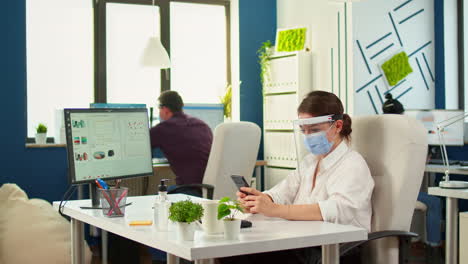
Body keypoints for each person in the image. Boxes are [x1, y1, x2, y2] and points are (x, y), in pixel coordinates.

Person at [220, 91, 375, 264]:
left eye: (315, 130)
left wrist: (274, 209)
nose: (308, 137)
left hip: (335, 251)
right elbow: (282, 192)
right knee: (232, 250)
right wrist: (259, 201)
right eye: (304, 131)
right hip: (303, 243)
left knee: (238, 253)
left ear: (338, 126)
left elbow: (334, 211)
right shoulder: (309, 162)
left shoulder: (353, 165)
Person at [150, 91, 213, 197]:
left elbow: (141, 145)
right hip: (210, 188)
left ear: (165, 109)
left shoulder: (163, 129)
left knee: (156, 199)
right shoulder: (202, 125)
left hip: (190, 190)